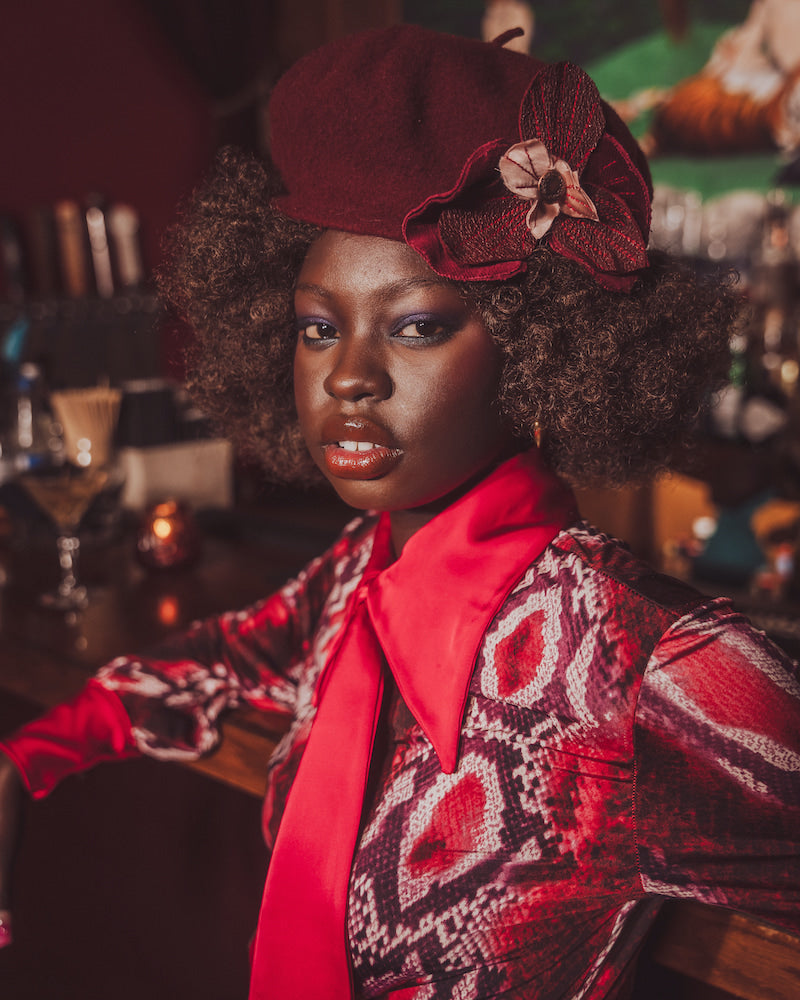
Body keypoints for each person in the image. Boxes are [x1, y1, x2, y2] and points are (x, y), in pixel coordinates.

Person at [1, 23, 799, 1000]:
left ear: (540, 347)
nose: (347, 378)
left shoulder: (646, 666)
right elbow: (219, 659)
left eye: (416, 326)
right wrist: (29, 758)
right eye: (316, 327)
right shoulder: (356, 573)